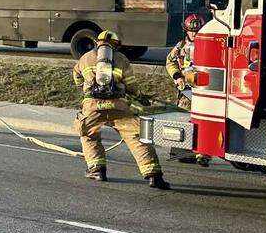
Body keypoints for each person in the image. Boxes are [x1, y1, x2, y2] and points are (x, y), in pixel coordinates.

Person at [73, 30, 170, 189]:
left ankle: (97, 170)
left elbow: (76, 75)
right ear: (116, 45)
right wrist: (138, 96)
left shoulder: (85, 58)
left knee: (89, 135)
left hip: (92, 106)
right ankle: (154, 176)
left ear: (97, 42)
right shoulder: (121, 58)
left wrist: (84, 89)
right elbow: (131, 85)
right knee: (136, 137)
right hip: (119, 105)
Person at [165, 13, 210, 167]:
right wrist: (177, 76)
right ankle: (183, 152)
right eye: (191, 30)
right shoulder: (181, 46)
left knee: (205, 121)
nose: (195, 33)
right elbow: (170, 62)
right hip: (186, 90)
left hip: (206, 90)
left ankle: (203, 154)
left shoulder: (210, 44)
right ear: (186, 30)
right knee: (184, 119)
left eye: (198, 30)